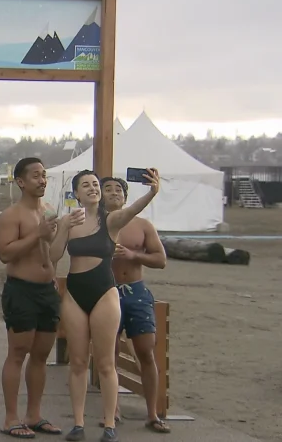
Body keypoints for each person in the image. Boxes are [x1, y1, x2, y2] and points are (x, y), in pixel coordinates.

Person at [50, 168, 160, 442]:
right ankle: (78, 423)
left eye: (95, 184)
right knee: (77, 361)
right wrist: (63, 227)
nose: (93, 188)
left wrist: (152, 192)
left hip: (104, 293)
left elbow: (132, 210)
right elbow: (53, 255)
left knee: (105, 362)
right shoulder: (69, 221)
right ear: (76, 193)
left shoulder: (110, 220)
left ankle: (110, 424)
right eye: (86, 185)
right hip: (75, 293)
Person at [0, 157, 65, 439]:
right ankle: (10, 418)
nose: (42, 180)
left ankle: (34, 415)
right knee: (17, 354)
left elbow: (51, 253)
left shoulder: (49, 211)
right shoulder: (11, 216)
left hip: (47, 291)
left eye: (44, 175)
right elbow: (5, 254)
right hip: (21, 291)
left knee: (40, 356)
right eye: (36, 175)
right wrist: (38, 234)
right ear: (21, 182)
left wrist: (62, 233)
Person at [100, 177, 170, 434]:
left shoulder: (142, 225)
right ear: (100, 196)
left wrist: (133, 255)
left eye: (118, 189)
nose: (114, 193)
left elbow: (161, 260)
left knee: (146, 351)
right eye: (108, 189)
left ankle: (152, 414)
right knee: (110, 353)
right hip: (107, 291)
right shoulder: (95, 225)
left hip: (136, 292)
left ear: (126, 196)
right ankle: (113, 410)